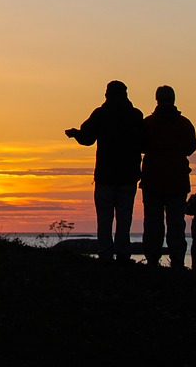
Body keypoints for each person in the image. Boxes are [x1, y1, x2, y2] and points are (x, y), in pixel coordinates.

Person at [65, 79, 145, 262]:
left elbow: (87, 138)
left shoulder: (101, 114)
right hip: (128, 175)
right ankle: (123, 254)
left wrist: (75, 133)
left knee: (105, 218)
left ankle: (105, 254)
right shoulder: (135, 115)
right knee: (124, 218)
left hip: (106, 176)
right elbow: (144, 142)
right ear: (126, 94)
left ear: (107, 94)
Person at [139, 85, 196, 267]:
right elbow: (191, 147)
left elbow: (140, 145)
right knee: (176, 224)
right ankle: (178, 260)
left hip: (153, 179)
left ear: (157, 99)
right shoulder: (184, 123)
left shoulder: (148, 123)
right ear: (174, 99)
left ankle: (152, 259)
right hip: (177, 180)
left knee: (153, 223)